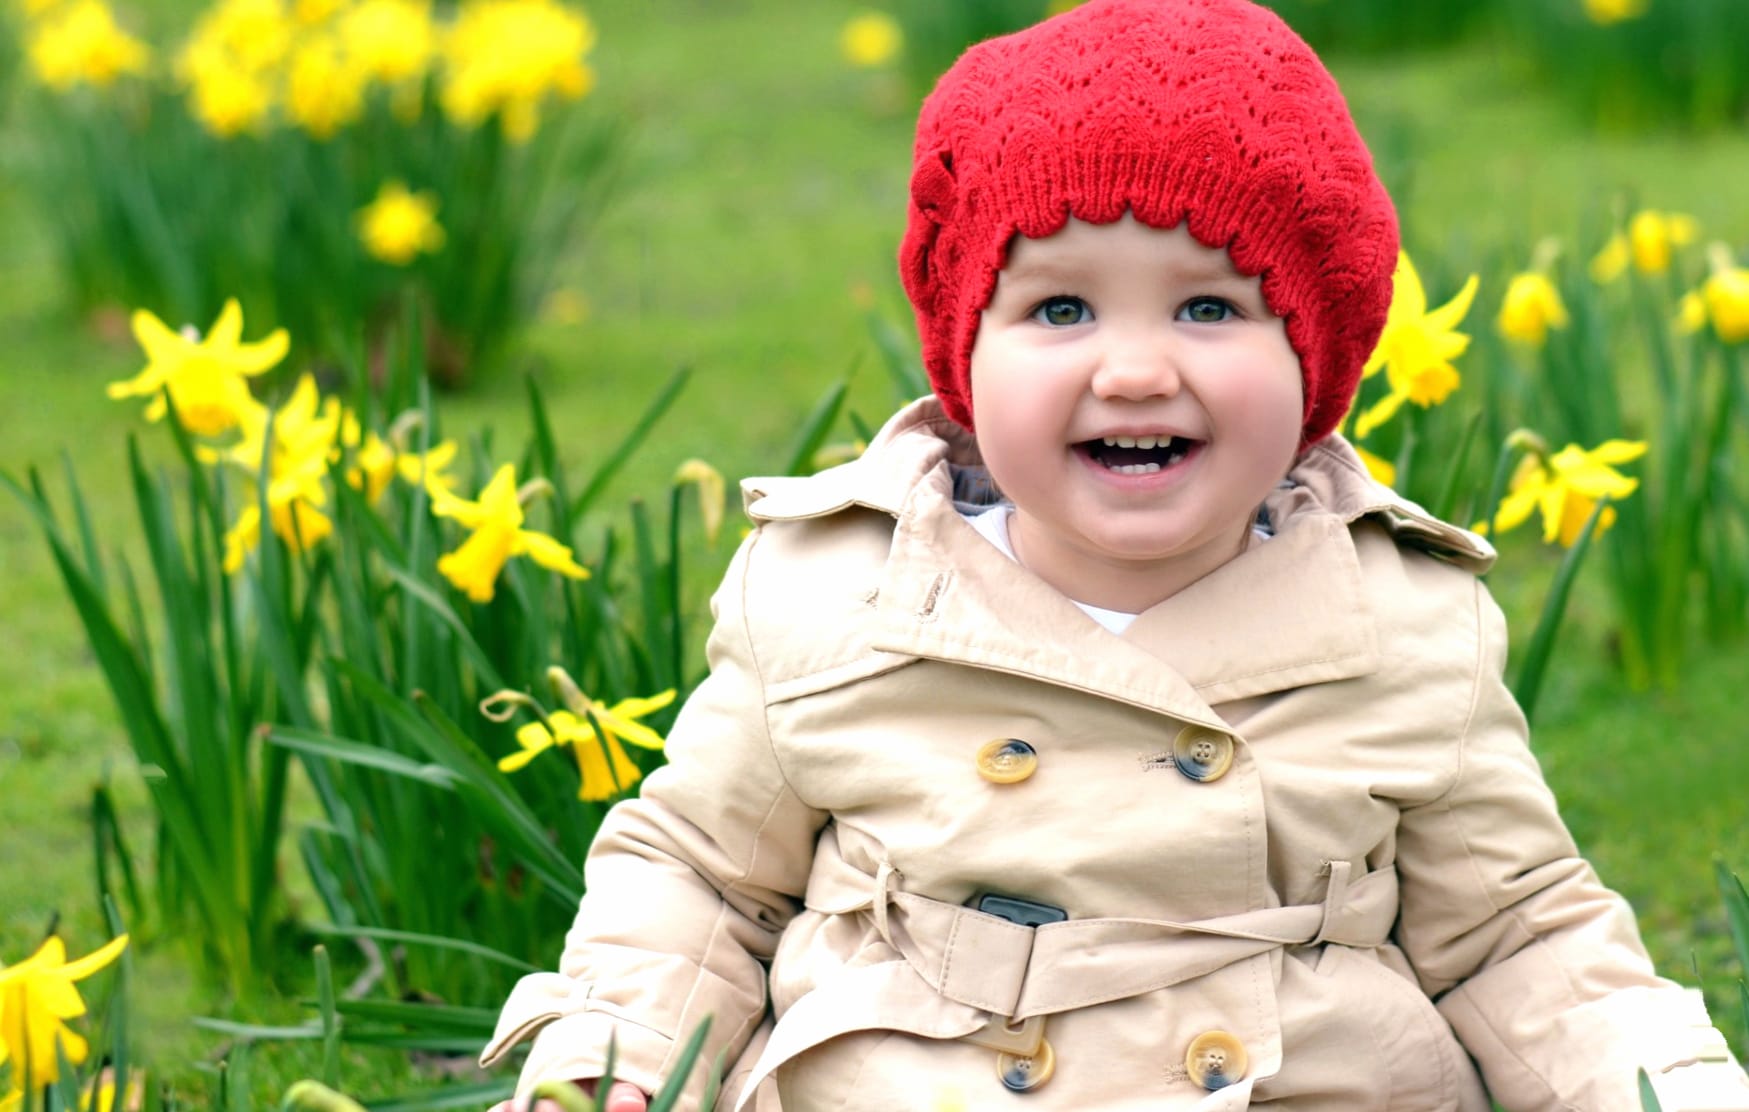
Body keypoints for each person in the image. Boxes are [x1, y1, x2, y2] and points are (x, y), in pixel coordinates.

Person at [480, 0, 1749, 1107]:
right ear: (964, 360)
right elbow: (701, 874)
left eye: (1209, 306)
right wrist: (616, 1049)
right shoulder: (838, 594)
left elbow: (1517, 932)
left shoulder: (1402, 619)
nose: (1136, 368)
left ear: (1314, 361)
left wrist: (1661, 1083)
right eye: (1061, 308)